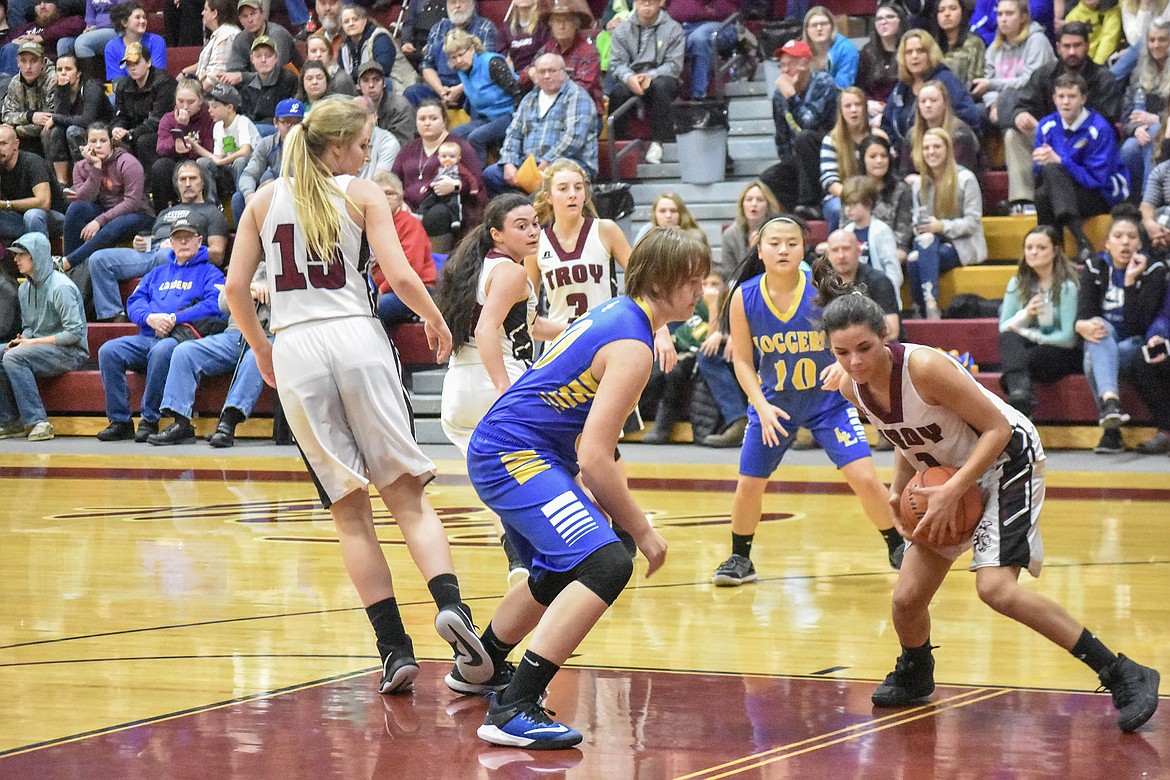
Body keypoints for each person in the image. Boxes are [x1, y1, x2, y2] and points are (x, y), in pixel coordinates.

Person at [224, 97, 490, 697]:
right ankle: (454, 611)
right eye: (364, 144)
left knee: (350, 515)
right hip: (356, 338)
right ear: (338, 146)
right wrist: (436, 319)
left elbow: (236, 287)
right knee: (410, 501)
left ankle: (393, 648)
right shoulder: (362, 193)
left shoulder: (261, 201)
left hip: (295, 348)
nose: (368, 155)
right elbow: (399, 278)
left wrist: (263, 349)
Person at [815, 276, 1161, 734]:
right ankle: (917, 672)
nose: (854, 361)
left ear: (886, 337)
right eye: (842, 353)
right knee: (906, 599)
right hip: (951, 476)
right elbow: (903, 433)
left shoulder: (924, 368)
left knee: (995, 589)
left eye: (863, 348)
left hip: (1008, 460)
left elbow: (998, 429)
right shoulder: (852, 387)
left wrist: (953, 490)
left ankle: (1122, 671)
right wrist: (899, 490)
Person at [450, 227, 701, 749]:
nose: (701, 289)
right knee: (607, 562)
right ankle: (514, 706)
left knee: (570, 560)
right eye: (693, 280)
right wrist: (643, 529)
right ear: (662, 280)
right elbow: (596, 454)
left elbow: (589, 450)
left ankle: (486, 661)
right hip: (512, 453)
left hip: (518, 448)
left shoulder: (617, 313)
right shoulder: (633, 346)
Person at [709, 216, 905, 589]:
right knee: (749, 484)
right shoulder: (743, 296)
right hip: (774, 405)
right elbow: (742, 362)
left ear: (803, 248)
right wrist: (760, 407)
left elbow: (860, 343)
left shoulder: (824, 290)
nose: (783, 250)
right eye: (775, 243)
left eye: (791, 243)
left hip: (827, 403)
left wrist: (845, 371)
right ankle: (740, 558)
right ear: (759, 248)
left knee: (864, 477)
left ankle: (898, 546)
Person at [436, 193, 562, 586]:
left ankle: (519, 564)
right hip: (497, 382)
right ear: (497, 233)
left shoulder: (474, 267)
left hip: (460, 391)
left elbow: (526, 325)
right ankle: (554, 554)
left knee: (501, 484)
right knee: (548, 469)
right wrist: (505, 388)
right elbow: (485, 329)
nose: (531, 231)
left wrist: (577, 328)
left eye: (535, 224)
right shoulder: (510, 272)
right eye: (520, 226)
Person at [97, 216, 224, 443]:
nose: (183, 243)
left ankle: (149, 420)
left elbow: (215, 306)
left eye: (188, 238)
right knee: (108, 351)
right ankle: (120, 421)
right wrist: (150, 318)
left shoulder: (211, 273)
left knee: (162, 350)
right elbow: (135, 302)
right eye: (178, 238)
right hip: (147, 335)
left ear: (199, 241)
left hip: (180, 339)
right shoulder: (156, 273)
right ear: (171, 243)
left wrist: (175, 318)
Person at [999, 21, 1122, 214]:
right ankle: (1023, 201)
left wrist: (1060, 133)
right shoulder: (1044, 74)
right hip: (1047, 138)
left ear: (1087, 46)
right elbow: (1017, 102)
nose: (1072, 51)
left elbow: (1106, 120)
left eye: (1077, 45)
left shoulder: (1103, 77)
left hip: (1085, 144)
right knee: (1013, 135)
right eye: (1066, 46)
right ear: (1057, 48)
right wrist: (1019, 114)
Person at [1075, 208, 1169, 454]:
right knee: (1098, 330)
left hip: (1134, 343)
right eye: (1118, 236)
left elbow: (1137, 325)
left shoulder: (1153, 270)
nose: (1125, 242)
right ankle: (1111, 405)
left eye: (1132, 236)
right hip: (1102, 341)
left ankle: (1111, 429)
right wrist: (1081, 324)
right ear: (1107, 243)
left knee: (1096, 354)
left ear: (1141, 242)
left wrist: (1129, 284)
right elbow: (1085, 313)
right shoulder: (1095, 267)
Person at [88, 160, 231, 322]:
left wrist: (177, 250)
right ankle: (113, 316)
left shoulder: (212, 212)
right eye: (182, 179)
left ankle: (161, 313)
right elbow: (155, 238)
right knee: (98, 259)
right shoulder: (165, 212)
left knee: (165, 254)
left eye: (193, 178)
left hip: (178, 260)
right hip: (149, 253)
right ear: (177, 184)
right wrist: (141, 242)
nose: (188, 183)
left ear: (203, 183)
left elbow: (218, 254)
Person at [147, 259, 270, 446]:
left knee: (256, 357)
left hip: (270, 335)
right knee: (184, 351)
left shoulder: (295, 269)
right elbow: (222, 301)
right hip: (235, 334)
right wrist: (249, 289)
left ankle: (227, 424)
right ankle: (181, 424)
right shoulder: (253, 265)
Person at [1034, 74, 1130, 263]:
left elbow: (1097, 179)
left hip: (1101, 194)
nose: (1065, 102)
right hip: (1063, 193)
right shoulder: (1046, 126)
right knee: (1043, 191)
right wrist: (1044, 163)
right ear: (1054, 99)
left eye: (1071, 96)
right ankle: (1077, 244)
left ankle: (1057, 253)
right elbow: (1039, 172)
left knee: (1050, 181)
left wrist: (1061, 161)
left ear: (1083, 99)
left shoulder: (1099, 128)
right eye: (1061, 97)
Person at [0, 232, 87, 443]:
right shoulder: (24, 289)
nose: (15, 259)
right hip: (41, 348)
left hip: (71, 352)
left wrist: (31, 342)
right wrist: (24, 339)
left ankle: (39, 422)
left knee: (13, 357)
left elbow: (74, 334)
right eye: (15, 255)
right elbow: (30, 326)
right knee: (3, 351)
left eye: (21, 255)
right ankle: (10, 421)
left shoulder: (61, 287)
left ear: (36, 256)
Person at [997, 225, 1082, 418]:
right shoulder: (1017, 282)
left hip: (1060, 353)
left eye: (1041, 248)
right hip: (1030, 350)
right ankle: (1022, 395)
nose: (1034, 252)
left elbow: (1068, 338)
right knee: (1008, 339)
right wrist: (1026, 313)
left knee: (1013, 372)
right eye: (1029, 248)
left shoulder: (1067, 286)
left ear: (1055, 251)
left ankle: (1018, 391)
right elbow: (1005, 328)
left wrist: (1030, 334)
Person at [907, 127, 987, 319]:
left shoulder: (966, 178)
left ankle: (925, 308)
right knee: (915, 255)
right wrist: (919, 226)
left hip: (963, 243)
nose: (931, 152)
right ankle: (929, 305)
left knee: (920, 254)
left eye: (936, 146)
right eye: (926, 148)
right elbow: (916, 218)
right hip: (930, 242)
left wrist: (941, 226)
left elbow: (972, 222)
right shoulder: (919, 184)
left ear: (948, 149)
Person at [488, 53, 597, 193]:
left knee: (551, 179)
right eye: (542, 72)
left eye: (552, 71)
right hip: (530, 165)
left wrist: (546, 163)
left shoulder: (577, 96)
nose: (546, 76)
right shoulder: (529, 98)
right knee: (491, 175)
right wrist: (509, 162)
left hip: (569, 163)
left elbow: (573, 138)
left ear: (564, 73)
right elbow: (514, 133)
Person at [59, 122, 154, 273]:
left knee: (114, 224)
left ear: (111, 142)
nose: (98, 146)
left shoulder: (128, 162)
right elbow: (83, 199)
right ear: (86, 144)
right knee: (75, 209)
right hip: (105, 212)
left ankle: (68, 262)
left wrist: (99, 220)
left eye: (103, 141)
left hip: (138, 215)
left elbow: (132, 203)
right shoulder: (80, 167)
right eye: (93, 141)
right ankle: (74, 273)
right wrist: (96, 167)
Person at [760, 38, 839, 219]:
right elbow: (782, 138)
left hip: (829, 152)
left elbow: (809, 123)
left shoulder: (823, 82)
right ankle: (803, 212)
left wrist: (792, 96)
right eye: (782, 66)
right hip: (802, 159)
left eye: (790, 65)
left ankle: (810, 203)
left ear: (805, 64)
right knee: (768, 178)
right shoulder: (779, 96)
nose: (785, 71)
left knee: (805, 138)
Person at [391, 98, 484, 250]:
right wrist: (399, 202)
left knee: (437, 215)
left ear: (444, 121)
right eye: (422, 119)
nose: (427, 123)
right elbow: (394, 179)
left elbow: (476, 182)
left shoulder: (459, 147)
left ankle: (436, 260)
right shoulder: (408, 149)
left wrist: (456, 186)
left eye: (433, 118)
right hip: (409, 208)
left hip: (445, 208)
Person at [880, 29, 982, 159]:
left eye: (920, 51)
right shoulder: (901, 87)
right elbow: (886, 122)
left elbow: (969, 119)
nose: (914, 56)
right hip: (908, 157)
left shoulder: (946, 80)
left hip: (947, 157)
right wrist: (898, 148)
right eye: (909, 52)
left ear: (930, 53)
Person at [604, 0, 683, 166]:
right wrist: (629, 77)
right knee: (618, 92)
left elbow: (674, 65)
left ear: (661, 2)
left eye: (651, 0)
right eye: (641, 1)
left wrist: (649, 75)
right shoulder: (622, 30)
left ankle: (658, 142)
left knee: (663, 86)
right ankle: (619, 145)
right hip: (632, 77)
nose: (646, 4)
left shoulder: (674, 28)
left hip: (661, 76)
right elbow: (617, 63)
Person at [403, 0, 501, 107]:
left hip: (470, 86)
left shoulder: (485, 28)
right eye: (453, 2)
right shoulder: (438, 28)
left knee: (478, 94)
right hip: (441, 87)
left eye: (462, 2)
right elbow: (426, 65)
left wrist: (459, 89)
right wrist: (441, 91)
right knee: (412, 92)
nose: (457, 6)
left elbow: (487, 68)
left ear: (472, 3)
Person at [370, 171, 434, 329]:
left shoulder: (410, 224)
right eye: (378, 193)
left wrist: (382, 291)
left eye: (389, 193)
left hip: (417, 291)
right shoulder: (374, 225)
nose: (383, 198)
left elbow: (410, 268)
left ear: (400, 198)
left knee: (372, 310)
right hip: (390, 290)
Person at [971, 0, 1054, 121]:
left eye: (1009, 14)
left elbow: (1030, 83)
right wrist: (993, 105)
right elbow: (987, 82)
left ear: (1023, 17)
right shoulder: (993, 48)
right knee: (973, 113)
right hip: (1002, 103)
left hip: (1032, 104)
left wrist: (992, 86)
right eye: (1000, 14)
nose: (1003, 19)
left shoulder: (1037, 41)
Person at [445, 29, 520, 163]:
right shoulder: (462, 71)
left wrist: (519, 120)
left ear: (472, 49)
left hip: (510, 114)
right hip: (487, 118)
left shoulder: (492, 63)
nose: (459, 60)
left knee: (475, 137)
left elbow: (518, 91)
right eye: (454, 57)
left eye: (461, 54)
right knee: (455, 134)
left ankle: (479, 177)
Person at [42, 52, 111, 187]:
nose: (63, 73)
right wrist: (62, 91)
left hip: (100, 130)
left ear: (78, 72)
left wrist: (56, 118)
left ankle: (83, 179)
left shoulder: (91, 87)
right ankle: (60, 183)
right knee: (51, 132)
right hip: (77, 130)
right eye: (59, 70)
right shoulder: (61, 88)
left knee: (72, 131)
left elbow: (87, 120)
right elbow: (60, 119)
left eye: (68, 69)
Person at [1120, 21, 1170, 203]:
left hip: (1165, 133)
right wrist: (1135, 129)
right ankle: (1129, 204)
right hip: (1142, 135)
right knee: (1128, 149)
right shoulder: (1138, 73)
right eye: (1152, 40)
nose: (1156, 45)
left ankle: (1149, 201)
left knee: (1155, 132)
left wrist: (1157, 119)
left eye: (1162, 40)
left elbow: (1157, 123)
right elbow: (1126, 114)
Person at [233, 97, 303, 225]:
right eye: (286, 122)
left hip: (303, 193)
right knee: (238, 198)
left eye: (297, 122)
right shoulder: (267, 144)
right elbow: (248, 174)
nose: (292, 127)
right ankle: (247, 241)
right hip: (278, 191)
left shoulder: (312, 144)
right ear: (276, 123)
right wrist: (250, 195)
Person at [111, 42, 177, 173]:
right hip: (134, 130)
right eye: (129, 64)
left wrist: (131, 134)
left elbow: (158, 119)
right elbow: (120, 114)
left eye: (136, 63)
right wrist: (117, 129)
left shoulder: (164, 83)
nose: (132, 68)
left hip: (161, 131)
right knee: (106, 137)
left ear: (148, 62)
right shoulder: (123, 86)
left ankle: (149, 185)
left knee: (143, 141)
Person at [824, 228, 901, 341]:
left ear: (858, 251)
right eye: (835, 250)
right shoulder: (823, 284)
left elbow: (892, 331)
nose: (841, 256)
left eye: (846, 249)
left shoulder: (879, 281)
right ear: (827, 255)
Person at [151, 78, 215, 212]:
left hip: (200, 161)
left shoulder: (209, 117)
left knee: (203, 163)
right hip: (177, 163)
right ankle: (163, 214)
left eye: (190, 102)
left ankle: (207, 211)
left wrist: (190, 150)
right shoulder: (168, 118)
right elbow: (160, 148)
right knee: (160, 166)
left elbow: (211, 148)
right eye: (180, 101)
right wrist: (180, 132)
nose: (185, 107)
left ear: (200, 101)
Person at [190, 83, 256, 211]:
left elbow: (245, 151)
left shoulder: (242, 122)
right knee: (202, 162)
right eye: (209, 106)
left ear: (230, 107)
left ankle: (241, 202)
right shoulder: (218, 126)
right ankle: (211, 208)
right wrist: (196, 148)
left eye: (214, 107)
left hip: (249, 169)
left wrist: (221, 161)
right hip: (229, 169)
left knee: (240, 161)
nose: (209, 110)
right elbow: (217, 157)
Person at [840, 175, 901, 308]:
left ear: (868, 203)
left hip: (878, 295)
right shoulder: (847, 230)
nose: (847, 209)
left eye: (853, 204)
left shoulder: (881, 230)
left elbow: (892, 268)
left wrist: (889, 297)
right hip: (855, 296)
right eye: (846, 205)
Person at [0, 124, 67, 242]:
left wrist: (7, 204)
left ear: (16, 144)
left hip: (53, 218)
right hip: (20, 218)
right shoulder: (2, 164)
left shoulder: (32, 162)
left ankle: (40, 258)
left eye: (3, 144)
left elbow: (43, 202)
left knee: (32, 215)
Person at [536, 0, 603, 116]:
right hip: (549, 108)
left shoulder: (589, 51)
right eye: (557, 22)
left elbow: (583, 87)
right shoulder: (549, 47)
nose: (561, 26)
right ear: (551, 26)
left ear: (576, 25)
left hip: (582, 110)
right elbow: (527, 72)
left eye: (566, 21)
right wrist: (532, 72)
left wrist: (551, 83)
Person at [903, 79, 981, 176]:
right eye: (923, 101)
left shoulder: (961, 133)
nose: (928, 105)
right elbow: (904, 172)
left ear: (945, 103)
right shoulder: (912, 135)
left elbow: (967, 172)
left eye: (933, 100)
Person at [819, 87, 870, 231]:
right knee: (837, 210)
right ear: (841, 110)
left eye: (858, 105)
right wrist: (853, 198)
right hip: (840, 197)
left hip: (872, 195)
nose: (853, 110)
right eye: (848, 106)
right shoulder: (831, 140)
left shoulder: (877, 136)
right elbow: (829, 180)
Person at [220, 0, 301, 87]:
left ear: (263, 14)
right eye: (245, 16)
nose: (250, 20)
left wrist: (242, 77)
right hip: (254, 88)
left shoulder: (278, 34)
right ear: (240, 20)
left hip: (287, 86)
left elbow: (275, 73)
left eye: (253, 14)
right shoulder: (241, 39)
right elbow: (233, 71)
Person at [860, 133, 912, 263]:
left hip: (893, 245)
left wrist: (877, 248)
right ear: (863, 159)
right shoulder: (854, 188)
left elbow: (903, 232)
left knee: (896, 255)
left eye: (883, 156)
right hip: (859, 244)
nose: (879, 161)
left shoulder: (901, 189)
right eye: (873, 156)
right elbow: (845, 225)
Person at [669, 0, 737, 99]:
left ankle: (698, 96)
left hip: (720, 23)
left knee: (699, 38)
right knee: (661, 38)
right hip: (679, 24)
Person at [1, 41, 55, 157]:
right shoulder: (15, 82)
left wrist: (16, 128)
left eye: (34, 61)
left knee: (49, 132)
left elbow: (49, 120)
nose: (28, 67)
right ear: (17, 62)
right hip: (26, 133)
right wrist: (30, 116)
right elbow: (6, 115)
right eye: (23, 61)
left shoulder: (53, 79)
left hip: (48, 132)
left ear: (42, 62)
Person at [0, 0, 81, 76]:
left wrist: (42, 37)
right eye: (38, 3)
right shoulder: (25, 28)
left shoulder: (63, 23)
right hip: (19, 67)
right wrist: (14, 42)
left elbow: (79, 24)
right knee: (9, 48)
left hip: (45, 69)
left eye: (47, 2)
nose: (42, 6)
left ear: (56, 6)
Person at [720, 179, 781, 280]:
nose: (754, 204)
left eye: (760, 200)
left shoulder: (779, 232)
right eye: (749, 200)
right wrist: (751, 254)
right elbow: (729, 275)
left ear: (768, 205)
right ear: (742, 205)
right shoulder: (730, 235)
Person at [178, 0, 242, 93]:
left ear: (215, 13)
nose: (202, 13)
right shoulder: (221, 34)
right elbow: (208, 62)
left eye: (206, 9)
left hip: (217, 98)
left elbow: (214, 78)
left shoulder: (225, 36)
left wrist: (194, 95)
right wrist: (185, 71)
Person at [239, 36, 300, 129]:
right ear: (252, 59)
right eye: (258, 56)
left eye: (268, 55)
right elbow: (246, 116)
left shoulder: (288, 79)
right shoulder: (248, 86)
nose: (263, 60)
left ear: (276, 58)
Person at [857, 1, 905, 106]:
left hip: (900, 108)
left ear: (900, 21)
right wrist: (868, 103)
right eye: (879, 19)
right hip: (872, 109)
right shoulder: (866, 53)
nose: (884, 22)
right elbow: (859, 88)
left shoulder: (908, 51)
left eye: (890, 17)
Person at [357, 61, 414, 148]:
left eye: (376, 80)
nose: (371, 85)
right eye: (365, 80)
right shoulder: (356, 106)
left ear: (384, 83)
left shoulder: (400, 107)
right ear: (358, 85)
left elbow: (403, 146)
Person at [418, 140, 471, 233]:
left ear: (458, 159)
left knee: (454, 204)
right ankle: (420, 213)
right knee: (427, 200)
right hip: (437, 191)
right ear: (438, 158)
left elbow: (469, 177)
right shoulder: (439, 169)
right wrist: (426, 187)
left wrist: (473, 188)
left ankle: (456, 220)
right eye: (444, 157)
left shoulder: (458, 168)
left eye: (452, 157)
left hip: (452, 192)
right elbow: (432, 179)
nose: (448, 159)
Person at [105, 2, 166, 82]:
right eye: (138, 18)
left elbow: (158, 74)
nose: (143, 21)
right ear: (124, 22)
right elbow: (117, 81)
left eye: (144, 17)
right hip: (125, 91)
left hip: (153, 89)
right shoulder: (112, 47)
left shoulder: (157, 41)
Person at [931, 0, 984, 89]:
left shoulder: (974, 42)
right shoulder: (931, 46)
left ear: (962, 12)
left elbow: (976, 78)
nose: (947, 14)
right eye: (941, 10)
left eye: (953, 9)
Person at [801, 5, 858, 89]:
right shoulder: (800, 50)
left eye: (824, 24)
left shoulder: (846, 49)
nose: (819, 28)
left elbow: (843, 86)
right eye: (814, 25)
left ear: (832, 26)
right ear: (807, 30)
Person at [500, 0, 548, 94]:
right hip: (514, 80)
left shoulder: (544, 25)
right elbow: (503, 57)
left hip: (537, 76)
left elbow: (548, 51)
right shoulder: (506, 28)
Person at [338, 3, 395, 84]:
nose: (351, 24)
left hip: (394, 84)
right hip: (362, 86)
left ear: (365, 21)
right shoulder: (344, 46)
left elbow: (382, 68)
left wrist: (353, 73)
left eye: (355, 19)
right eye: (346, 22)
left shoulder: (380, 37)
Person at [634, 191, 707, 247]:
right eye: (662, 211)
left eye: (673, 211)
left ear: (681, 213)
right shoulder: (646, 232)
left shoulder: (695, 236)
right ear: (655, 214)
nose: (668, 215)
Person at [1064, 0, 1124, 65]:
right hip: (1084, 64)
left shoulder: (1112, 9)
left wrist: (1096, 64)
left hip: (1108, 59)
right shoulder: (1072, 17)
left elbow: (1110, 38)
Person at [305, 31, 356, 96]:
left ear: (329, 54)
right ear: (307, 55)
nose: (318, 55)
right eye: (313, 51)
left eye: (323, 50)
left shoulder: (341, 80)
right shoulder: (305, 78)